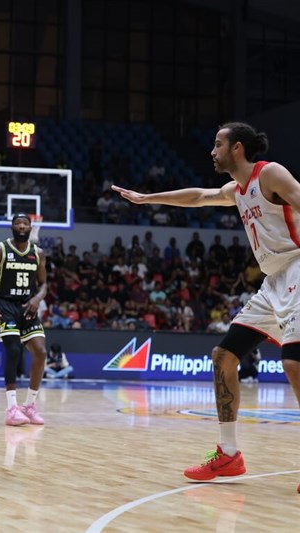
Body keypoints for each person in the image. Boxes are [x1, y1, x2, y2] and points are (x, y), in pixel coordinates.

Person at [112, 122, 300, 490]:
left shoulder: (271, 174)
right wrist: (147, 199)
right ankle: (228, 454)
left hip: (297, 266)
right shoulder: (237, 190)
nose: (212, 151)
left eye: (218, 144)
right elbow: (199, 196)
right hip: (273, 280)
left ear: (238, 149)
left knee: (293, 362)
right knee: (223, 356)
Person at [0, 214, 48, 426]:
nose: (22, 226)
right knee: (14, 350)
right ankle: (11, 408)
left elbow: (44, 284)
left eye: (25, 223)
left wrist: (37, 298)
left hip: (28, 307)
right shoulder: (0, 250)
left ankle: (30, 406)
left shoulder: (39, 254)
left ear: (30, 227)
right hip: (4, 306)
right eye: (18, 223)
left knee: (41, 352)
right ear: (12, 227)